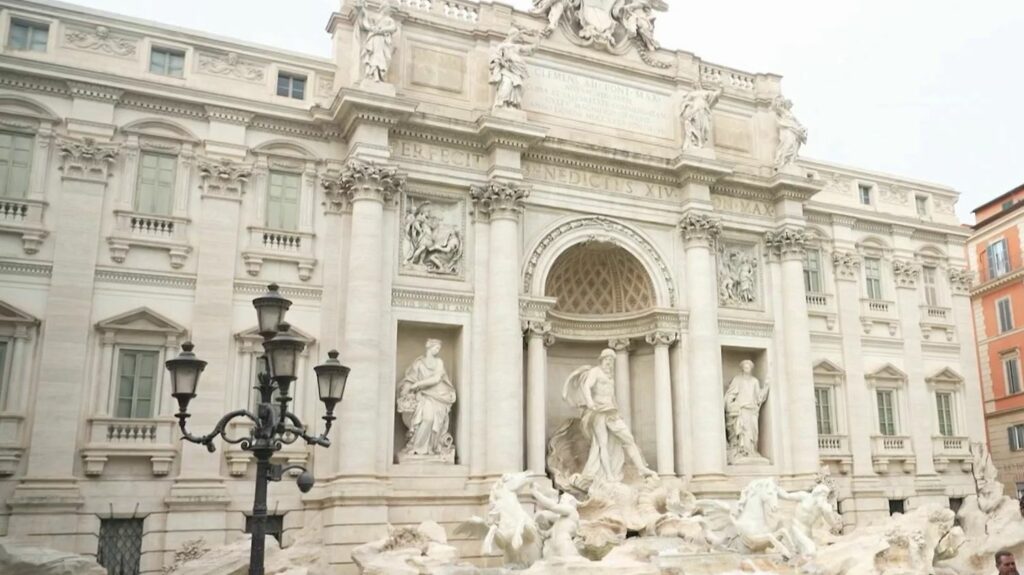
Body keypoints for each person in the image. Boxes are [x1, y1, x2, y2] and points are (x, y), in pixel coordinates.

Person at [562, 349, 657, 483]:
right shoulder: (595, 372)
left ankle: (641, 468)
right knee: (602, 444)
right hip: (598, 411)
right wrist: (589, 402)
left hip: (611, 411)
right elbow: (587, 386)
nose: (609, 363)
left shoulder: (610, 376)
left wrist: (617, 411)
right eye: (607, 360)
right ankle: (608, 476)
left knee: (628, 438)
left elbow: (611, 396)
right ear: (602, 360)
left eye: (611, 360)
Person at [397, 339, 457, 457]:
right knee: (427, 419)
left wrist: (418, 384)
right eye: (436, 348)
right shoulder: (418, 363)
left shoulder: (439, 362)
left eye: (439, 349)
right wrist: (406, 391)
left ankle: (431, 448)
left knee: (435, 422)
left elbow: (436, 379)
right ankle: (417, 448)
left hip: (439, 395)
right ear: (429, 347)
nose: (437, 350)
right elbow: (410, 379)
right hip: (424, 395)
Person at [724, 360, 769, 461]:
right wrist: (730, 404)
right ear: (742, 368)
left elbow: (759, 397)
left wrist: (766, 386)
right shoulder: (737, 379)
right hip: (742, 409)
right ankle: (743, 452)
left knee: (752, 432)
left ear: (751, 368)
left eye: (748, 366)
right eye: (745, 366)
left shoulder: (755, 381)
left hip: (752, 410)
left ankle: (751, 451)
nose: (747, 367)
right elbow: (730, 394)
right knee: (742, 431)